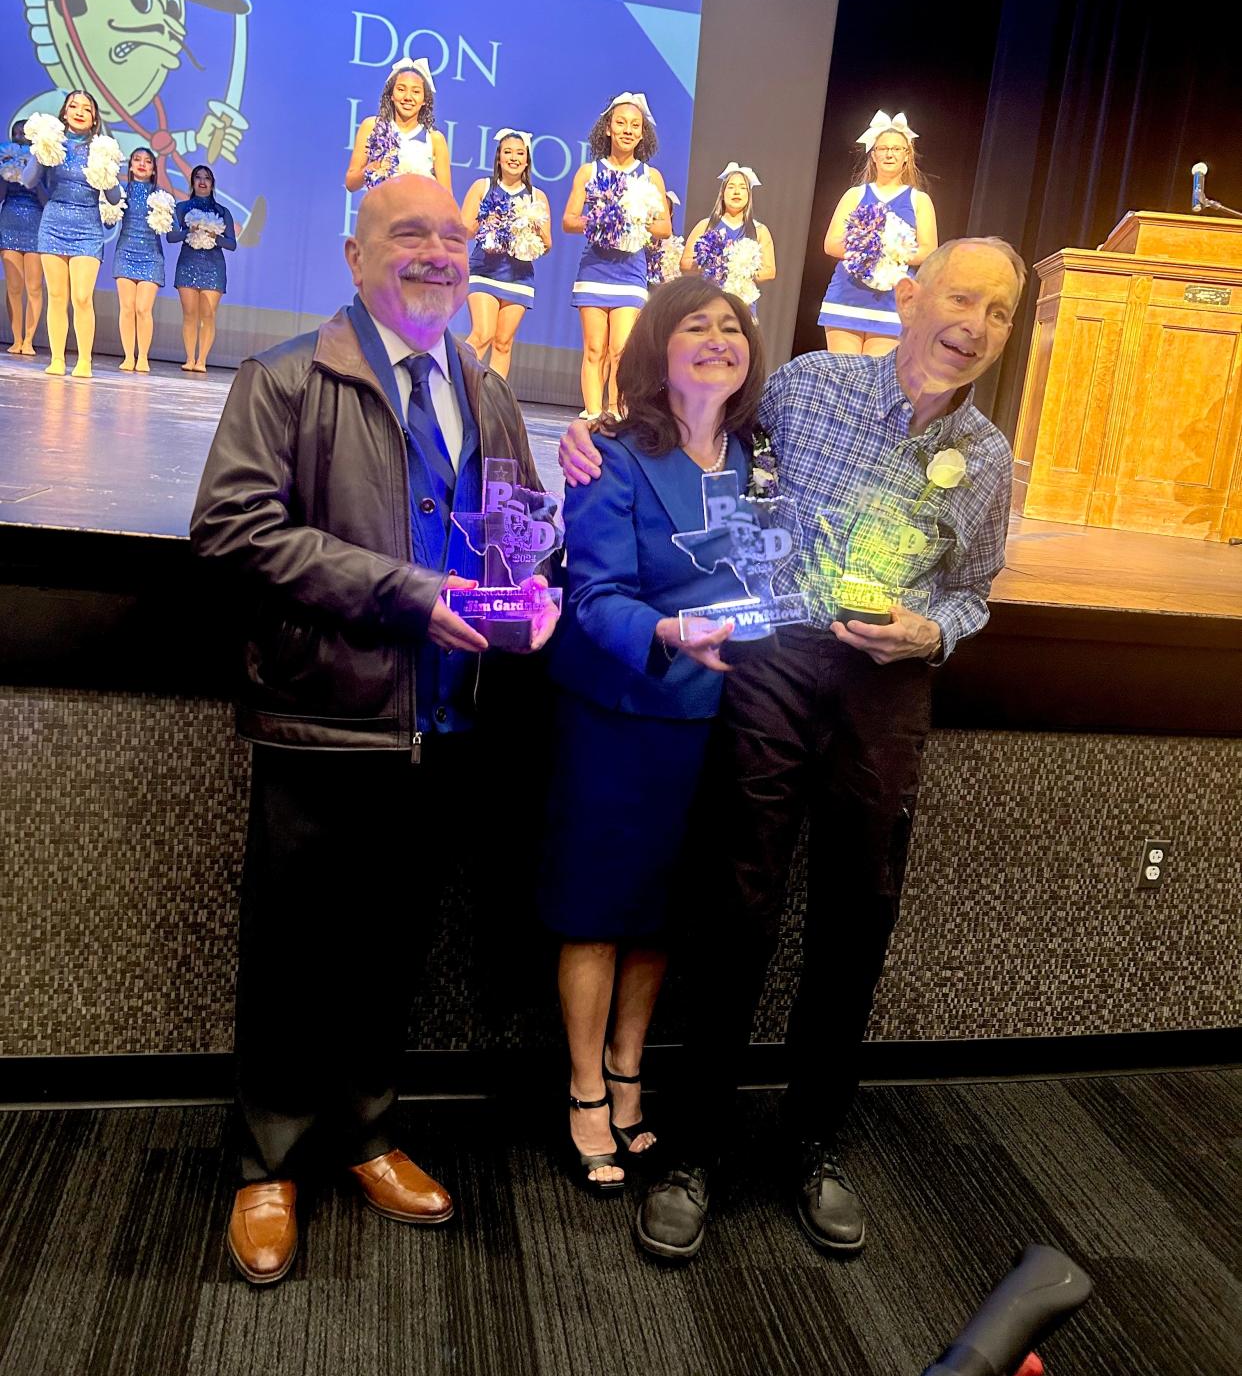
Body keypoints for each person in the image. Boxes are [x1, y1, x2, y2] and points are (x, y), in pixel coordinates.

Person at [560, 237, 1026, 1260]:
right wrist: (596, 437)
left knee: (858, 915)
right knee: (736, 905)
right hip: (776, 662)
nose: (975, 324)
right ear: (909, 297)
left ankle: (814, 1142)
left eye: (998, 311)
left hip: (887, 686)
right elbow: (692, 419)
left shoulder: (991, 458)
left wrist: (932, 632)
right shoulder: (809, 385)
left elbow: (974, 588)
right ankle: (695, 1152)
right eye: (960, 298)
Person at [190, 171, 558, 1288]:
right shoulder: (287, 377)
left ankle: (365, 1132)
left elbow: (519, 530)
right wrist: (404, 592)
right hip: (324, 722)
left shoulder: (485, 391)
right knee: (295, 950)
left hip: (445, 731)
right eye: (411, 233)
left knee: (392, 950)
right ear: (355, 256)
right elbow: (230, 529)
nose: (440, 251)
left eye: (454, 235)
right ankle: (267, 1160)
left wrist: (535, 582)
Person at [541, 275, 765, 1193]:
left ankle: (632, 1067)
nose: (718, 340)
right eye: (695, 328)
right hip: (624, 715)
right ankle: (586, 1087)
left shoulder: (763, 457)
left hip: (725, 722)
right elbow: (592, 598)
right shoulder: (614, 453)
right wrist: (670, 634)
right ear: (656, 351)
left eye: (732, 328)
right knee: (600, 906)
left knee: (663, 913)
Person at [563, 93, 671, 420]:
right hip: (594, 270)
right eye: (621, 123)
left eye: (634, 125)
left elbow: (664, 227)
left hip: (630, 273)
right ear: (607, 128)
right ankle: (594, 415)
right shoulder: (588, 171)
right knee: (594, 349)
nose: (627, 130)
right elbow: (568, 220)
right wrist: (600, 220)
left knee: (620, 351)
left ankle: (616, 413)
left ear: (642, 134)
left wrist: (632, 219)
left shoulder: (651, 177)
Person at [21, 89, 121, 378]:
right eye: (73, 106)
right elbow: (28, 181)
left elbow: (114, 198)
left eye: (86, 108)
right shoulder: (54, 143)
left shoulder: (101, 148)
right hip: (53, 223)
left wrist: (107, 170)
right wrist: (41, 149)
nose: (79, 111)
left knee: (81, 297)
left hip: (87, 226)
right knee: (56, 295)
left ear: (94, 119)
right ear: (64, 113)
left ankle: (85, 361)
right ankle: (56, 359)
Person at [819, 111, 937, 354]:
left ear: (907, 156)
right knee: (843, 375)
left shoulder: (919, 200)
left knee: (874, 380)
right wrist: (867, 248)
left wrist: (890, 250)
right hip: (847, 296)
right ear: (873, 155)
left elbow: (929, 251)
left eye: (896, 149)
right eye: (883, 149)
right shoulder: (855, 195)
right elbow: (831, 244)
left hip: (893, 301)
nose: (889, 153)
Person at [463, 128, 552, 380]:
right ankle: (459, 385)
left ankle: (493, 398)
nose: (514, 157)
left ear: (527, 160)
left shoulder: (537, 196)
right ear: (499, 157)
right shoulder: (483, 187)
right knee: (482, 334)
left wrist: (533, 229)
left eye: (520, 153)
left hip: (519, 278)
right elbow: (464, 230)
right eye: (508, 152)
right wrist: (486, 219)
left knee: (503, 342)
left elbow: (547, 244)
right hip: (484, 272)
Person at [345, 57, 452, 195]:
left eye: (416, 91)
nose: (408, 97)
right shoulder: (372, 126)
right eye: (401, 89)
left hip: (418, 215)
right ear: (391, 95)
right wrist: (374, 167)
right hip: (381, 213)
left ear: (425, 99)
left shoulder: (435, 139)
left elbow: (446, 197)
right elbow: (350, 183)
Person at [681, 164, 776, 317]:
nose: (736, 191)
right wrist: (712, 265)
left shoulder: (760, 230)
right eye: (731, 187)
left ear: (749, 195)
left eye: (742, 187)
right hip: (707, 300)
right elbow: (684, 264)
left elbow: (770, 271)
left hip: (743, 305)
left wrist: (741, 267)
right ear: (723, 193)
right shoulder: (705, 225)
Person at [170, 164, 236, 373]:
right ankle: (190, 359)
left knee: (207, 315)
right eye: (198, 177)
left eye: (207, 178)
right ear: (192, 182)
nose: (202, 181)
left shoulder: (223, 212)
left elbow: (232, 244)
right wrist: (188, 231)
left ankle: (202, 361)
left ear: (212, 183)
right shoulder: (181, 208)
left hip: (213, 266)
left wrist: (215, 238)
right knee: (189, 314)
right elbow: (171, 237)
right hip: (188, 263)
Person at [113, 147, 172, 373]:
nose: (142, 164)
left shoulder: (161, 197)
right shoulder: (122, 191)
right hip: (125, 253)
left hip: (151, 257)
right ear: (129, 166)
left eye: (147, 161)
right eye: (137, 159)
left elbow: (172, 231)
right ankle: (129, 356)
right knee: (127, 308)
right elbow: (110, 222)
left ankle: (143, 357)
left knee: (143, 309)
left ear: (154, 169)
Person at [0, 122, 45, 355]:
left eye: (24, 135)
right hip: (9, 222)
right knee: (14, 287)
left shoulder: (42, 162)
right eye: (15, 134)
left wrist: (32, 176)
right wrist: (5, 173)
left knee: (34, 286)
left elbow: (47, 199)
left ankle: (29, 339)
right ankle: (16, 338)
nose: (19, 138)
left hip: (36, 222)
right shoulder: (5, 159)